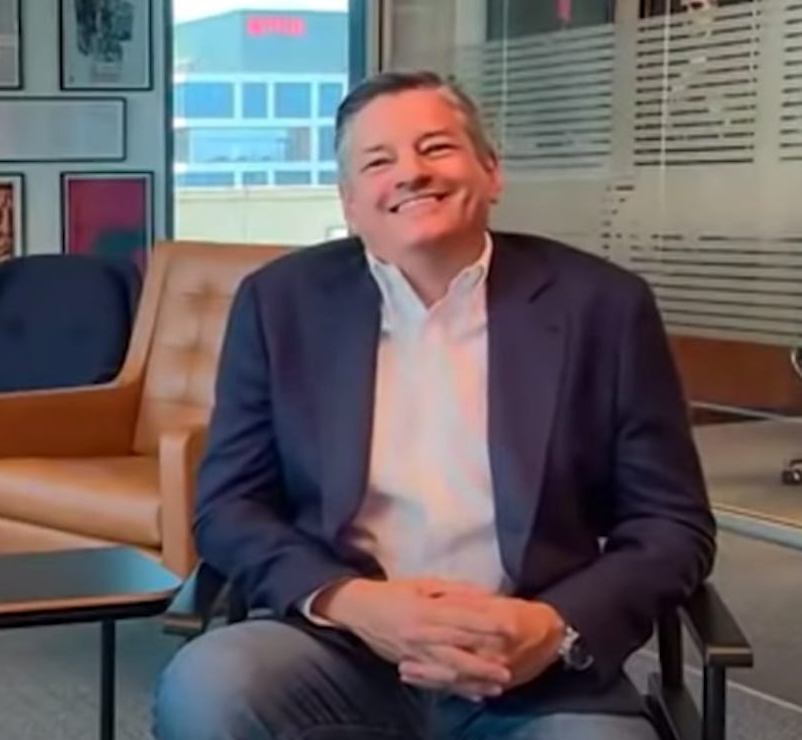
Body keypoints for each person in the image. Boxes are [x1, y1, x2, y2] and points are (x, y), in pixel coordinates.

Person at [153, 70, 715, 740]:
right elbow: (228, 506)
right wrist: (351, 602)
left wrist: (552, 626)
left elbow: (671, 523)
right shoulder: (280, 304)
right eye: (378, 161)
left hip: (533, 665)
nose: (411, 173)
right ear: (350, 202)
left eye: (436, 148)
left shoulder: (603, 306)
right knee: (211, 685)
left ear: (491, 171)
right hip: (343, 647)